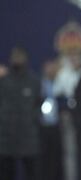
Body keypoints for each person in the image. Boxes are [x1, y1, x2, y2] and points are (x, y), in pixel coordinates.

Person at [0, 46, 41, 180]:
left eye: (20, 56)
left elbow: (39, 104)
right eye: (14, 56)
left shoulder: (33, 81)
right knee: (6, 173)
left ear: (25, 58)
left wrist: (32, 119)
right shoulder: (4, 81)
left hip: (28, 137)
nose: (17, 59)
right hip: (6, 138)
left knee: (32, 173)